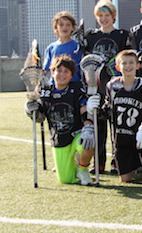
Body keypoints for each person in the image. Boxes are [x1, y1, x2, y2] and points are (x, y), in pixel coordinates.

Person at [24, 55, 98, 186]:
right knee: (66, 180)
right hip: (58, 138)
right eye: (59, 70)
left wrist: (88, 127)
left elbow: (83, 108)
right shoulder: (45, 92)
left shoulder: (76, 88)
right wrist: (30, 109)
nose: (62, 74)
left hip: (76, 133)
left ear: (71, 75)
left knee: (88, 142)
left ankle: (82, 169)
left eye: (66, 71)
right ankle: (73, 164)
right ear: (52, 72)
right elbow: (39, 117)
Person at [84, 0, 132, 174]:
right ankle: (99, 161)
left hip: (115, 85)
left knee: (116, 124)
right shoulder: (91, 36)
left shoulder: (122, 35)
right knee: (99, 125)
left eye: (107, 15)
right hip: (96, 85)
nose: (104, 19)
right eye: (100, 15)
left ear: (114, 16)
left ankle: (116, 161)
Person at [104, 49, 142, 184]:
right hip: (122, 136)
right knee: (126, 180)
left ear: (138, 65)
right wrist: (97, 107)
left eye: (131, 63)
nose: (128, 66)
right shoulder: (112, 86)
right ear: (117, 67)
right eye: (124, 63)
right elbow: (107, 110)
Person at [43, 11, 82, 82]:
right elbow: (46, 70)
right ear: (56, 27)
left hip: (73, 85)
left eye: (68, 25)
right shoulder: (51, 48)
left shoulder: (77, 46)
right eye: (61, 25)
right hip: (55, 87)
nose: (65, 27)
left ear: (73, 27)